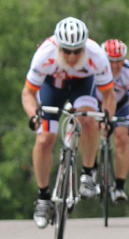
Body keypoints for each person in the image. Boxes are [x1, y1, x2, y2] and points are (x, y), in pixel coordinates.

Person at [21, 17, 116, 227]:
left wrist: (106, 120)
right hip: (52, 87)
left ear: (84, 47)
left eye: (77, 51)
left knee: (88, 120)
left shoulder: (97, 56)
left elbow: (108, 95)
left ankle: (87, 173)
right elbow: (28, 93)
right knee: (45, 138)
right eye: (66, 50)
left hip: (83, 84)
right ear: (57, 46)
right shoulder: (44, 55)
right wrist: (33, 116)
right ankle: (43, 198)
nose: (72, 56)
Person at [101, 39, 129, 203]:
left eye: (119, 61)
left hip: (121, 105)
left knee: (122, 138)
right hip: (99, 103)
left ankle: (119, 187)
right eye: (111, 61)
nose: (115, 66)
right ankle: (90, 172)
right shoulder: (96, 68)